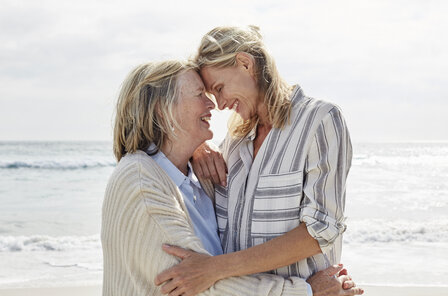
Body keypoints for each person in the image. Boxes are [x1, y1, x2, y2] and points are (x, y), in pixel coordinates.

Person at [101, 60, 362, 295]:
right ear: (162, 109)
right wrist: (307, 291)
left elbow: (218, 262)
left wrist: (195, 149)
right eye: (199, 94)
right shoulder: (137, 178)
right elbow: (193, 284)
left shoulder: (199, 181)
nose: (212, 104)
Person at [155, 26, 355, 295]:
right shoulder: (234, 142)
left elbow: (319, 230)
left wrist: (215, 268)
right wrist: (196, 146)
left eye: (220, 88)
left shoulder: (319, 120)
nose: (221, 104)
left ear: (245, 64)